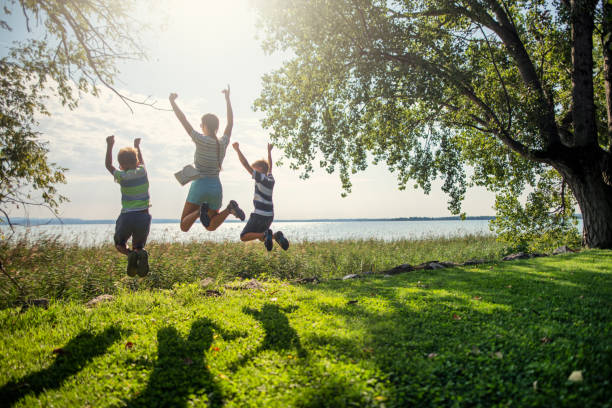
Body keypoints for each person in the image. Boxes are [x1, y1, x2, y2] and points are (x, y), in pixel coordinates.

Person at [169, 85, 245, 232]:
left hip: (200, 185)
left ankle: (199, 212)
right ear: (217, 127)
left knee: (184, 226)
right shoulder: (223, 143)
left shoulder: (200, 139)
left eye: (201, 125)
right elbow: (230, 123)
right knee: (210, 226)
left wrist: (173, 102)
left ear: (204, 126)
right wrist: (227, 99)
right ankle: (229, 209)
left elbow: (183, 119)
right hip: (215, 187)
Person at [105, 135, 151, 277]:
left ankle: (130, 254)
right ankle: (138, 252)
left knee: (120, 244)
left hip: (127, 217)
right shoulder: (142, 172)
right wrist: (137, 147)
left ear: (121, 165)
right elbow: (142, 162)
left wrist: (110, 145)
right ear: (137, 161)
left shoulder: (121, 176)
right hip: (143, 216)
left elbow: (108, 166)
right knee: (139, 246)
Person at [232, 141, 289, 251]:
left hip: (259, 214)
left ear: (261, 169)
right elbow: (270, 166)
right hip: (270, 215)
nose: (254, 170)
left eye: (255, 168)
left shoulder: (260, 177)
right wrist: (269, 152)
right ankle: (276, 236)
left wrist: (238, 150)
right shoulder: (271, 179)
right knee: (263, 237)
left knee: (243, 236)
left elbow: (245, 164)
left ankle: (267, 234)